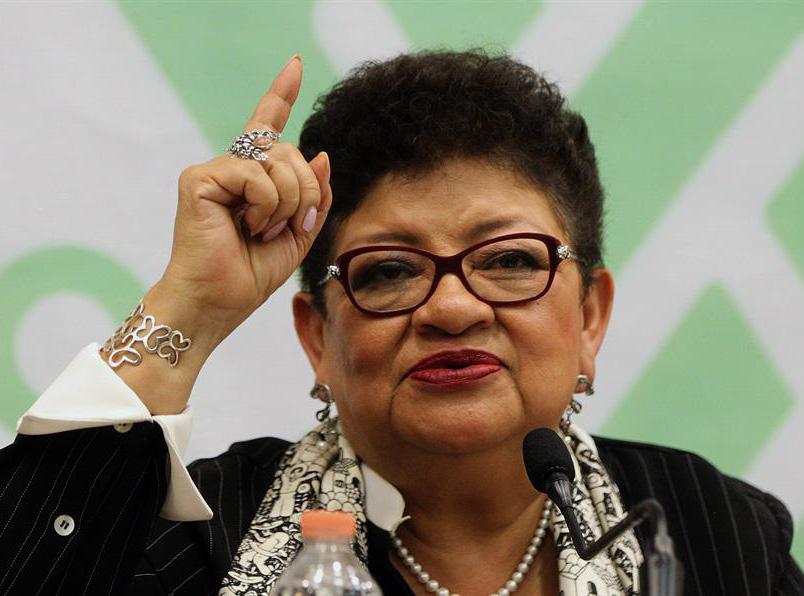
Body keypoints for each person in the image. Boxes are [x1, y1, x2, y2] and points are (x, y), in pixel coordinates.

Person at [0, 50, 801, 596]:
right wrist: (191, 305)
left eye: (508, 260)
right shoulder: (200, 539)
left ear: (589, 316)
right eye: (389, 271)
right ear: (318, 338)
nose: (452, 308)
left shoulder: (706, 530)